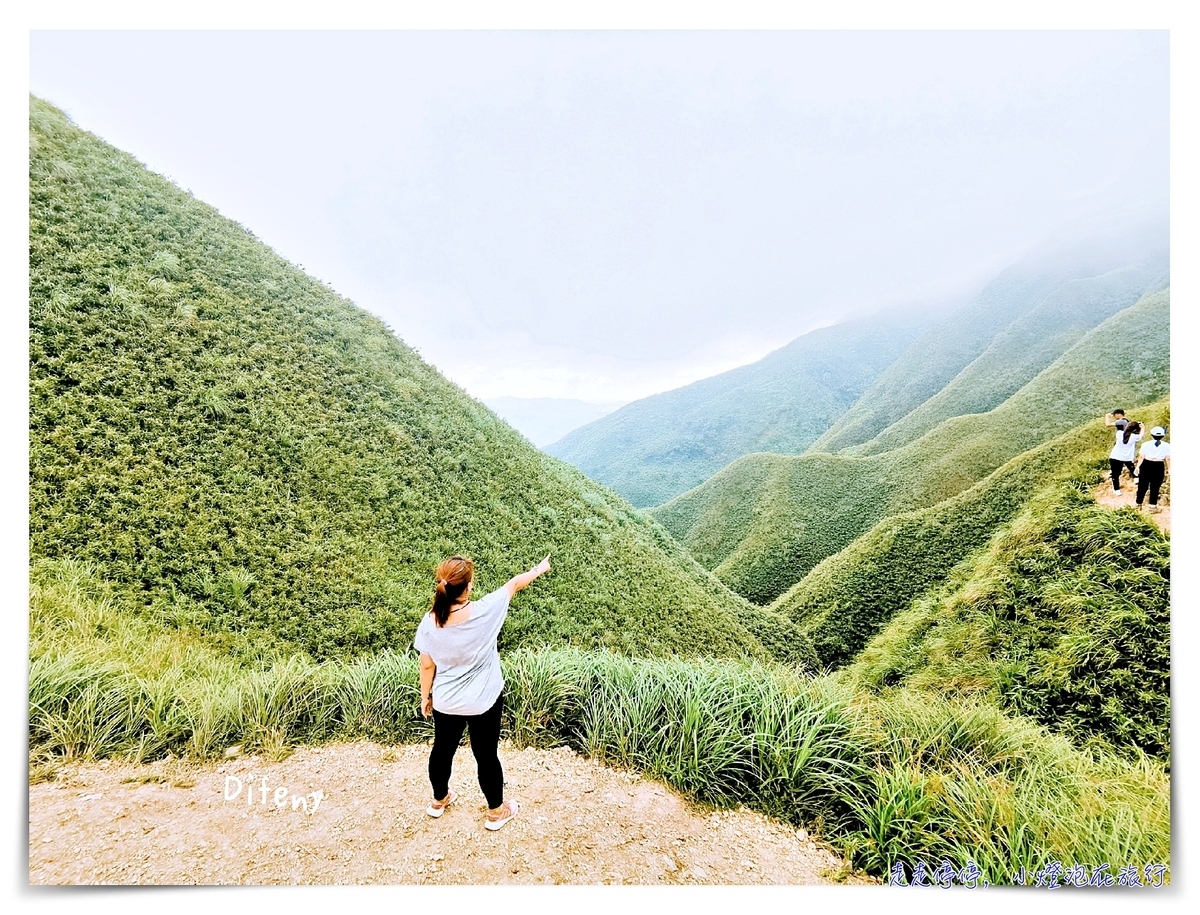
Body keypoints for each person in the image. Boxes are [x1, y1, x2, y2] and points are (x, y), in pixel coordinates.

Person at [413, 553, 552, 831]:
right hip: (484, 701)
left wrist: (425, 696)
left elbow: (427, 666)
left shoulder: (430, 622)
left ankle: (439, 801)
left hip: (447, 702)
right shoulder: (486, 610)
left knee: (442, 750)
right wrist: (540, 568)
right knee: (486, 755)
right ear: (468, 586)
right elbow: (514, 584)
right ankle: (495, 812)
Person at [1135, 427, 1171, 513]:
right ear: (1163, 435)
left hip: (1146, 465)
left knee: (1142, 486)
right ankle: (1152, 507)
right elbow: (1168, 458)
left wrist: (1137, 467)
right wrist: (1169, 469)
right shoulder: (1167, 445)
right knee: (1155, 487)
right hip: (1158, 466)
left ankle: (1138, 504)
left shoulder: (1145, 444)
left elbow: (1141, 456)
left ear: (1151, 435)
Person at [1109, 420, 1143, 493]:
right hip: (1127, 457)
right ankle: (1136, 478)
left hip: (1115, 456)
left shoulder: (1119, 433)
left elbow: (1125, 431)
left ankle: (1116, 489)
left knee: (1115, 474)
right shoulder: (1135, 437)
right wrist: (1142, 427)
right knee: (1131, 466)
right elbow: (1141, 435)